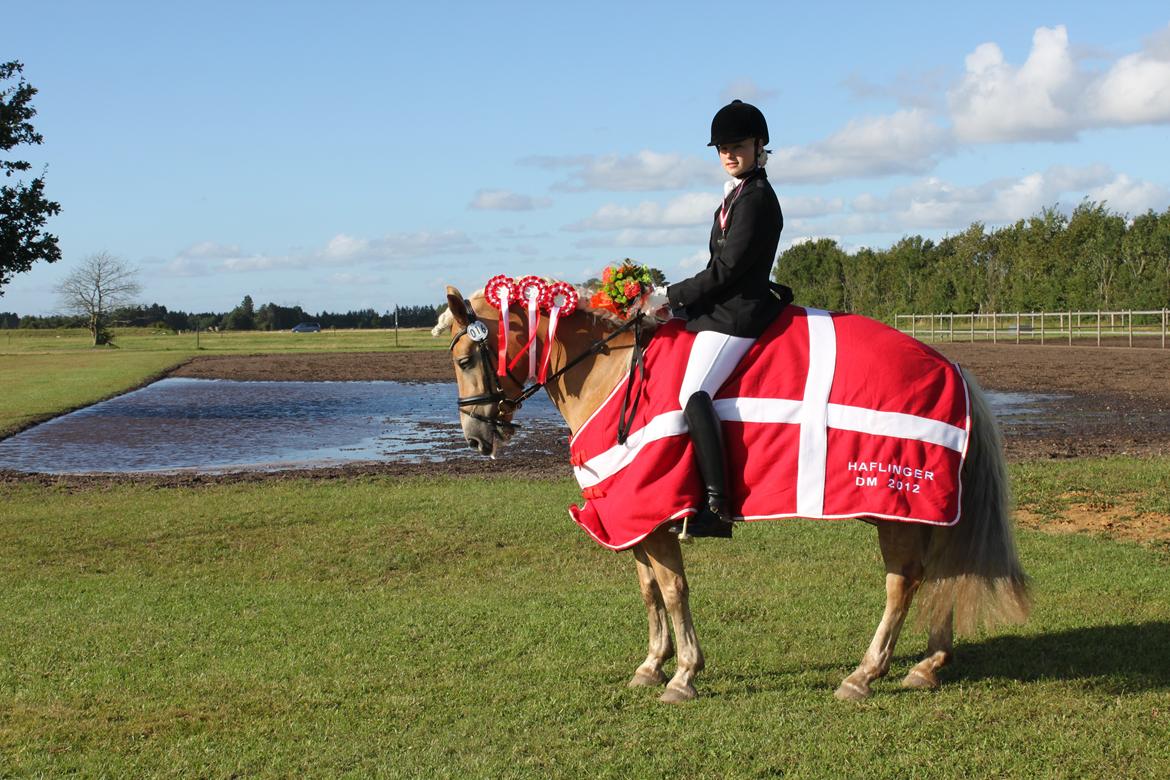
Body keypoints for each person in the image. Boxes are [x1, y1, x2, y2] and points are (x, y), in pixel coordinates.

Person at [654, 99, 789, 539]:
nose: (729, 154)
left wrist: (670, 296)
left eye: (737, 146)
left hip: (739, 314)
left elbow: (726, 270)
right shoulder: (736, 196)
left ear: (758, 145)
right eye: (722, 148)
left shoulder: (757, 199)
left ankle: (717, 507)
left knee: (694, 394)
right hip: (721, 307)